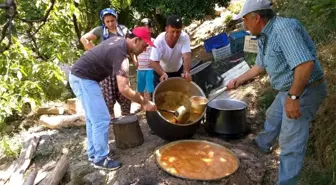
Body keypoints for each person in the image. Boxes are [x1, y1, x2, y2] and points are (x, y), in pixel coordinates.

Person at [227, 0, 327, 184]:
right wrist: (238, 80)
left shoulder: (283, 30)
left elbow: (305, 64)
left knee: (291, 143)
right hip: (288, 90)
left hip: (304, 91)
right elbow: (259, 66)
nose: (244, 25)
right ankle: (260, 146)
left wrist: (293, 97)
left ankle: (286, 181)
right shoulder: (265, 35)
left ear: (256, 18)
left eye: (245, 20)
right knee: (273, 116)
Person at [70, 26, 157, 170]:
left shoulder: (118, 42)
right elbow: (124, 88)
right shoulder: (120, 52)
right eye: (144, 45)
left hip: (81, 77)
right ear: (136, 40)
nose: (145, 49)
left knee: (94, 119)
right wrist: (144, 102)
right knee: (101, 119)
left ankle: (94, 154)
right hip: (83, 79)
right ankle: (100, 159)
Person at [80, 8, 132, 119]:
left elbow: (131, 44)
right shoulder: (100, 30)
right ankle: (111, 117)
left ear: (116, 19)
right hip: (107, 67)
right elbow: (84, 39)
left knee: (125, 91)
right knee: (108, 93)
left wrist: (134, 60)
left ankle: (126, 115)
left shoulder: (123, 30)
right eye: (107, 21)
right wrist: (95, 51)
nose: (110, 23)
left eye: (112, 20)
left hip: (122, 64)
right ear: (103, 22)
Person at [150, 15, 192, 87]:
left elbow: (186, 56)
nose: (175, 35)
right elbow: (153, 62)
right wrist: (162, 73)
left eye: (178, 32)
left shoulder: (184, 37)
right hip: (161, 71)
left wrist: (186, 72)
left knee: (179, 92)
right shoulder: (159, 41)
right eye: (172, 31)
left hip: (178, 70)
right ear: (166, 29)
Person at [134, 18, 155, 101]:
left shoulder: (154, 41)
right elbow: (133, 52)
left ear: (151, 29)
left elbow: (157, 55)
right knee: (140, 88)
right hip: (140, 69)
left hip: (150, 69)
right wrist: (135, 60)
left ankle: (149, 104)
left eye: (147, 28)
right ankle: (142, 105)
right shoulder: (137, 41)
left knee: (149, 89)